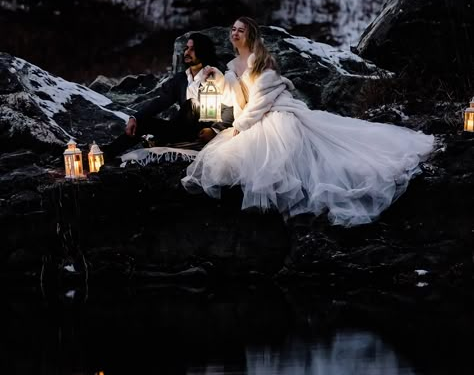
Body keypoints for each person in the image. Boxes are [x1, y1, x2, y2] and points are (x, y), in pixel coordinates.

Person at [181, 17, 436, 227]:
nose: (235, 33)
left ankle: (301, 211)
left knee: (286, 153)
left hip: (274, 113)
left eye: (241, 30)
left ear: (250, 35)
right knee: (230, 158)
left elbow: (261, 100)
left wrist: (240, 126)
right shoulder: (231, 65)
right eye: (233, 29)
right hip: (251, 117)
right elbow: (237, 100)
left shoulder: (261, 61)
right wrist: (220, 79)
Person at [103, 32, 233, 161]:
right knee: (142, 123)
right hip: (179, 130)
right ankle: (105, 155)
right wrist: (135, 118)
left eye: (193, 49)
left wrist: (214, 130)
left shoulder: (215, 74)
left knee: (191, 104)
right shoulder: (181, 79)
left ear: (203, 51)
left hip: (202, 131)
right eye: (186, 48)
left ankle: (158, 140)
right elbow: (161, 102)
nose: (187, 52)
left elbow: (229, 108)